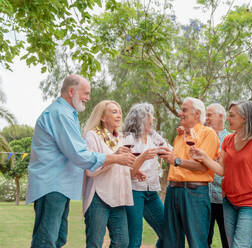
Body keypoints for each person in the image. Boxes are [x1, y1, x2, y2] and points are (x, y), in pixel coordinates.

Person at [26, 75, 136, 248]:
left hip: (59, 186)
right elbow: (79, 154)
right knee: (46, 240)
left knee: (58, 239)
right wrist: (115, 158)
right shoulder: (60, 114)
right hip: (52, 185)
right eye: (86, 93)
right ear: (71, 91)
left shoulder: (68, 114)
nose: (88, 98)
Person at [190, 101, 252, 248]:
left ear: (244, 118)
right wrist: (204, 157)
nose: (228, 119)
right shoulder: (228, 140)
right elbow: (222, 170)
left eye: (231, 116)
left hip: (251, 204)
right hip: (229, 202)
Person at [82, 100, 156, 247]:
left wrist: (134, 170)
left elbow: (121, 168)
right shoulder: (92, 136)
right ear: (102, 117)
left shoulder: (121, 138)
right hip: (98, 197)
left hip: (118, 198)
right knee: (95, 243)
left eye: (120, 112)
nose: (119, 115)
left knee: (122, 243)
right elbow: (90, 169)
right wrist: (115, 157)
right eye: (114, 112)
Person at [160, 97, 220, 248]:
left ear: (197, 114)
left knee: (197, 243)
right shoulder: (180, 135)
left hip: (194, 193)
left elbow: (202, 167)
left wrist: (176, 161)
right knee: (171, 243)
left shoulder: (208, 133)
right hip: (173, 191)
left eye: (184, 110)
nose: (180, 113)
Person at [123, 103, 169, 248]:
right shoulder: (128, 140)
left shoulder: (153, 137)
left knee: (168, 233)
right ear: (142, 119)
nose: (154, 119)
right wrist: (142, 158)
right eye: (151, 117)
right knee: (135, 239)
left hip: (151, 192)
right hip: (134, 191)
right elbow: (126, 173)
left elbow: (170, 151)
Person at [205, 103, 230, 248]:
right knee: (203, 240)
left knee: (227, 240)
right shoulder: (201, 136)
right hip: (204, 197)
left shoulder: (231, 138)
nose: (206, 118)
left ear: (221, 116)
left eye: (209, 115)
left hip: (224, 199)